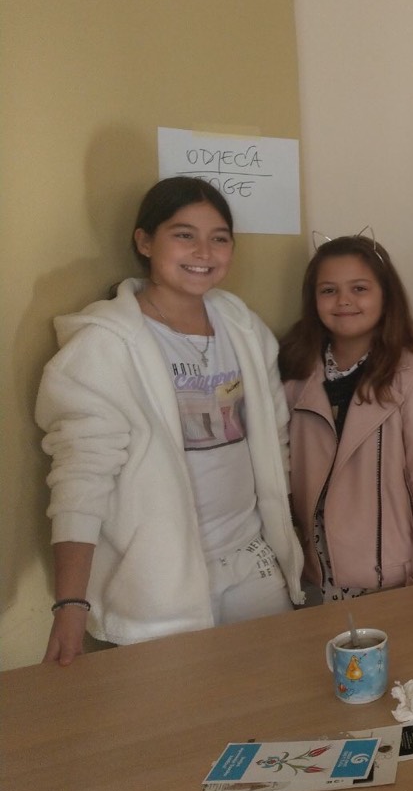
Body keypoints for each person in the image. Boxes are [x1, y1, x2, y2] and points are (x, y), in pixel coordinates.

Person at [37, 177, 305, 666]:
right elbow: (80, 478)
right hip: (158, 581)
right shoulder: (105, 346)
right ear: (144, 242)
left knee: (275, 694)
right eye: (184, 235)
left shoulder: (244, 329)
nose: (203, 252)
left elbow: (275, 443)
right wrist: (71, 603)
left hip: (252, 563)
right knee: (177, 709)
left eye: (219, 238)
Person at [279, 233, 413, 603]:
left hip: (389, 575)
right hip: (317, 570)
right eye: (328, 290)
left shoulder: (412, 377)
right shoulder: (297, 374)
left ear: (385, 296)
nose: (344, 300)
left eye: (359, 288)